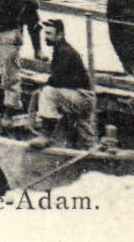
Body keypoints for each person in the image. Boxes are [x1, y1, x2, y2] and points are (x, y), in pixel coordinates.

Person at [31, 20, 96, 149]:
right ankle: (88, 146)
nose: (45, 37)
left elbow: (58, 80)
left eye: (49, 33)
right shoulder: (61, 49)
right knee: (82, 127)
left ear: (60, 34)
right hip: (81, 96)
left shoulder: (64, 51)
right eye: (45, 33)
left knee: (48, 92)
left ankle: (46, 134)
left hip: (82, 97)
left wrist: (45, 84)